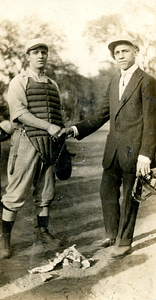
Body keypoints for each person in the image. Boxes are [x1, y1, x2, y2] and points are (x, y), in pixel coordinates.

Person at [59, 36, 156, 258]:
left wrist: (146, 156)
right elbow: (101, 114)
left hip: (135, 153)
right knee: (107, 193)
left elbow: (152, 122)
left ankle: (124, 240)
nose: (120, 56)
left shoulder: (147, 81)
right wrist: (75, 130)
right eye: (117, 53)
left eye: (124, 51)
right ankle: (112, 234)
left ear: (135, 52)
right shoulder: (113, 83)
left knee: (130, 197)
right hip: (112, 151)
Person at [0, 38, 66, 259]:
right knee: (16, 191)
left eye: (44, 52)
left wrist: (62, 137)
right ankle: (5, 239)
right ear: (27, 56)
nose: (40, 56)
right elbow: (19, 113)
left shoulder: (52, 84)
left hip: (50, 144)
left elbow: (59, 114)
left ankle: (43, 232)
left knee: (46, 192)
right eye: (35, 52)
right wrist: (48, 126)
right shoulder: (19, 81)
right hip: (26, 140)